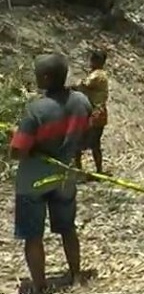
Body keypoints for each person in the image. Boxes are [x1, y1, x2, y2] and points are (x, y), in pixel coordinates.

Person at [9, 54, 93, 293]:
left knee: (33, 236)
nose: (34, 76)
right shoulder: (81, 102)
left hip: (33, 181)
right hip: (65, 176)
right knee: (68, 228)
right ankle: (76, 274)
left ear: (46, 77)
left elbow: (18, 151)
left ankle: (40, 285)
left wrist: (14, 136)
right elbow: (85, 137)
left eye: (37, 73)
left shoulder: (36, 110)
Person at [73, 50, 109, 178]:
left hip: (93, 113)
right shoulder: (100, 75)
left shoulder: (97, 75)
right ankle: (98, 171)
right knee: (95, 144)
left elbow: (82, 85)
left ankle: (79, 171)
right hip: (98, 112)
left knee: (78, 142)